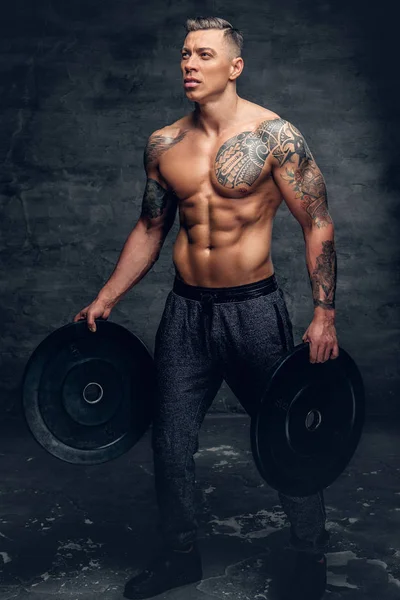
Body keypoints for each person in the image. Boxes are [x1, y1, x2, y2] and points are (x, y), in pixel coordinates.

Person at [74, 16, 339, 600]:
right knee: (169, 442)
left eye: (204, 55)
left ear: (234, 66)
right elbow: (150, 227)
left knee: (285, 439)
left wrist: (324, 313)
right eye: (185, 54)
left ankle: (308, 558)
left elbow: (316, 220)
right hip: (186, 315)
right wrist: (107, 297)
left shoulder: (276, 136)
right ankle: (180, 556)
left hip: (253, 310)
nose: (189, 64)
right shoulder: (164, 143)